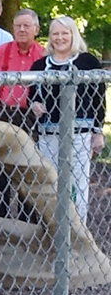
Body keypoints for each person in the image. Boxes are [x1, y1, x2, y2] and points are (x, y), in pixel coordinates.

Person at [29, 16, 106, 223]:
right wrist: (34, 105)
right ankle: (51, 230)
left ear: (73, 35)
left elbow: (98, 99)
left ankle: (77, 232)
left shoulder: (87, 62)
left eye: (65, 33)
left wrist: (97, 132)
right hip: (49, 134)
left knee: (78, 185)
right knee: (50, 184)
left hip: (79, 134)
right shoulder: (39, 65)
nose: (60, 38)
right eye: (55, 33)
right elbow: (32, 95)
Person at [0, 9, 44, 217]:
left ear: (36, 29)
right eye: (18, 26)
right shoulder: (0, 52)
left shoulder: (43, 55)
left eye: (26, 26)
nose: (22, 30)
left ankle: (29, 223)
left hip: (30, 119)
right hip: (1, 115)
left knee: (29, 170)